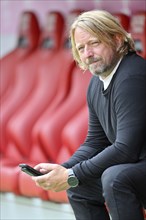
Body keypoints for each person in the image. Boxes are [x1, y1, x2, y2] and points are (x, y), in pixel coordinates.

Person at [31, 10, 146, 220]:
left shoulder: (132, 76)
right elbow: (95, 142)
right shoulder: (97, 81)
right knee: (79, 186)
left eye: (94, 43)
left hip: (137, 168)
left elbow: (126, 149)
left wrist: (71, 175)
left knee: (115, 178)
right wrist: (64, 169)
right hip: (138, 169)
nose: (87, 54)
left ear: (118, 40)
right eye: (81, 48)